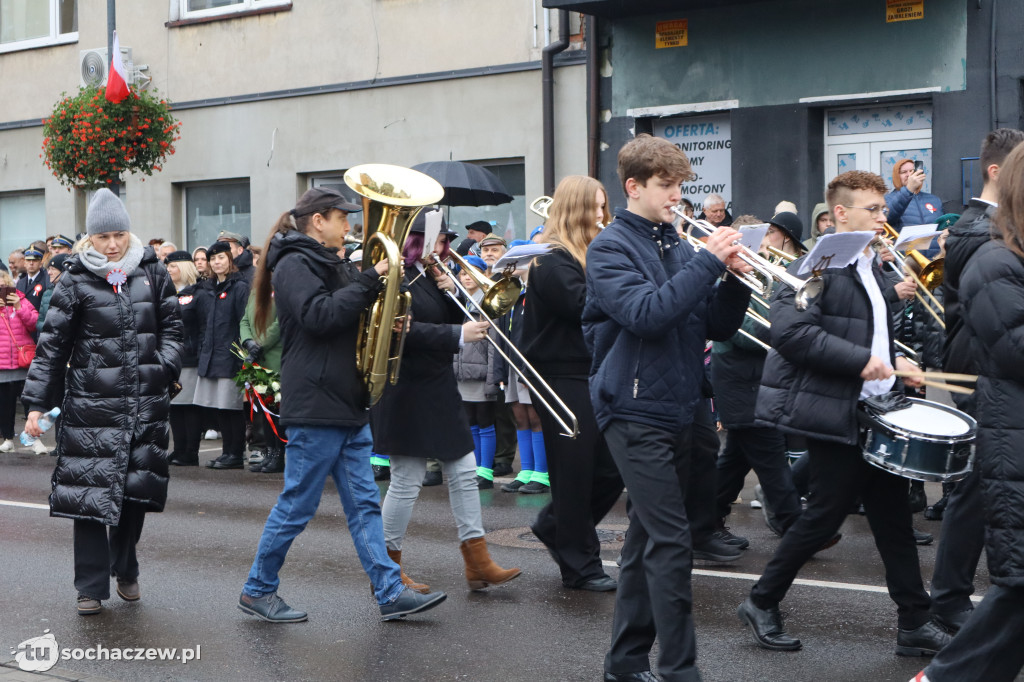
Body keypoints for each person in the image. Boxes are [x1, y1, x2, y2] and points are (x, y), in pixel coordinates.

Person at [737, 170, 950, 657]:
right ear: (840, 214)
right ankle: (761, 599)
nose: (883, 218)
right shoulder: (817, 266)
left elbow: (867, 334)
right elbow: (791, 335)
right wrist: (861, 363)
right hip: (836, 412)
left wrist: (896, 363)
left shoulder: (869, 264)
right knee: (824, 516)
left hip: (876, 408)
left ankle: (914, 622)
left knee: (893, 517)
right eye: (873, 210)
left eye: (882, 209)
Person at [239, 187, 446, 623]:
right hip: (316, 401)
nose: (349, 225)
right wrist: (371, 278)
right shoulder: (294, 263)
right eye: (342, 217)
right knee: (297, 504)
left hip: (347, 398)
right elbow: (319, 316)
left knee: (365, 504)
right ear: (318, 220)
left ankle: (389, 591)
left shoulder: (331, 262)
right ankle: (258, 588)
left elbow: (352, 317)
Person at [586, 134, 751, 681]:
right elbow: (647, 314)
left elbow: (715, 326)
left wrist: (734, 282)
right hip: (631, 410)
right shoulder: (610, 248)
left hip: (681, 405)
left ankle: (626, 664)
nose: (677, 196)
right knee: (673, 539)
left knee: (643, 542)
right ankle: (682, 670)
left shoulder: (678, 245)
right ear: (633, 187)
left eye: (681, 185)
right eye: (666, 186)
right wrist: (706, 263)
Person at [21, 188, 182, 615]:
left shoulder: (153, 271)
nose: (113, 244)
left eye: (119, 234)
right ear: (90, 238)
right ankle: (90, 586)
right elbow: (52, 348)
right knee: (88, 496)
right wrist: (36, 404)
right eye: (103, 236)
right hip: (91, 407)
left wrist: (163, 368)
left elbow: (174, 330)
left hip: (145, 403)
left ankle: (125, 567)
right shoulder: (75, 279)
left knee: (135, 494)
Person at [911, 137, 1024, 682]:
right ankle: (947, 603)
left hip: (992, 384)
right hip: (988, 383)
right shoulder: (982, 235)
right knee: (976, 489)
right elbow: (1011, 339)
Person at [374, 209, 521, 593]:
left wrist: (451, 292)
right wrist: (457, 333)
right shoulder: (397, 276)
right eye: (441, 241)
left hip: (438, 386)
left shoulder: (430, 277)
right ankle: (387, 568)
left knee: (464, 471)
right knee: (406, 479)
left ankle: (479, 562)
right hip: (406, 388)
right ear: (418, 242)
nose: (448, 248)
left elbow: (441, 317)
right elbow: (399, 331)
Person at [522, 174, 624, 591]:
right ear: (575, 209)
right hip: (558, 374)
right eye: (595, 207)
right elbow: (583, 306)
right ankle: (580, 566)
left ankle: (554, 524)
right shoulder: (550, 258)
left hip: (592, 370)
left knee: (611, 468)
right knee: (575, 471)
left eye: (604, 206)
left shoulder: (587, 252)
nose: (602, 215)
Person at [711, 213, 808, 543]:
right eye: (754, 240)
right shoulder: (727, 274)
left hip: (759, 374)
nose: (763, 246)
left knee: (735, 461)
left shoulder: (765, 273)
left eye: (764, 238)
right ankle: (795, 525)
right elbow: (740, 331)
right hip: (736, 373)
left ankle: (704, 522)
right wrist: (784, 331)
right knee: (768, 450)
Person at [194, 240, 250, 470]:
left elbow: (243, 321)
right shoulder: (210, 288)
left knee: (232, 407)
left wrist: (242, 353)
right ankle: (227, 452)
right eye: (213, 259)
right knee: (220, 407)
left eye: (221, 258)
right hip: (212, 354)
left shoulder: (239, 287)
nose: (217, 262)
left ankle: (235, 453)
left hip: (231, 355)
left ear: (230, 260)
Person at [164, 251, 204, 467]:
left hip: (190, 355)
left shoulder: (197, 292)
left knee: (188, 406)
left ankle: (190, 451)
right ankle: (179, 449)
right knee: (175, 405)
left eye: (173, 266)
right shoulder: (168, 293)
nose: (169, 270)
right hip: (172, 356)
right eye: (167, 266)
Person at [0, 270, 38, 454]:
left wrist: (17, 307)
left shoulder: (21, 300)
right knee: (5, 403)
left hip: (24, 361)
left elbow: (34, 323)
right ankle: (8, 438)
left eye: (3, 287)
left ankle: (34, 438)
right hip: (3, 363)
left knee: (30, 401)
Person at [885, 158, 944, 230]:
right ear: (897, 176)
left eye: (912, 171)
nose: (909, 175)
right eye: (904, 172)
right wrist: (909, 189)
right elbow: (888, 219)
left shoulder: (934, 199)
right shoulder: (887, 199)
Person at [17, 246, 50, 315]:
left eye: (35, 260)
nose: (31, 263)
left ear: (40, 263)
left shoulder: (46, 280)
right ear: (24, 263)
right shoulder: (20, 282)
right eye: (28, 260)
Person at [38, 253, 68, 324]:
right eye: (49, 269)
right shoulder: (47, 293)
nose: (49, 273)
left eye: (53, 269)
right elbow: (40, 321)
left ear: (63, 271)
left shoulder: (72, 292)